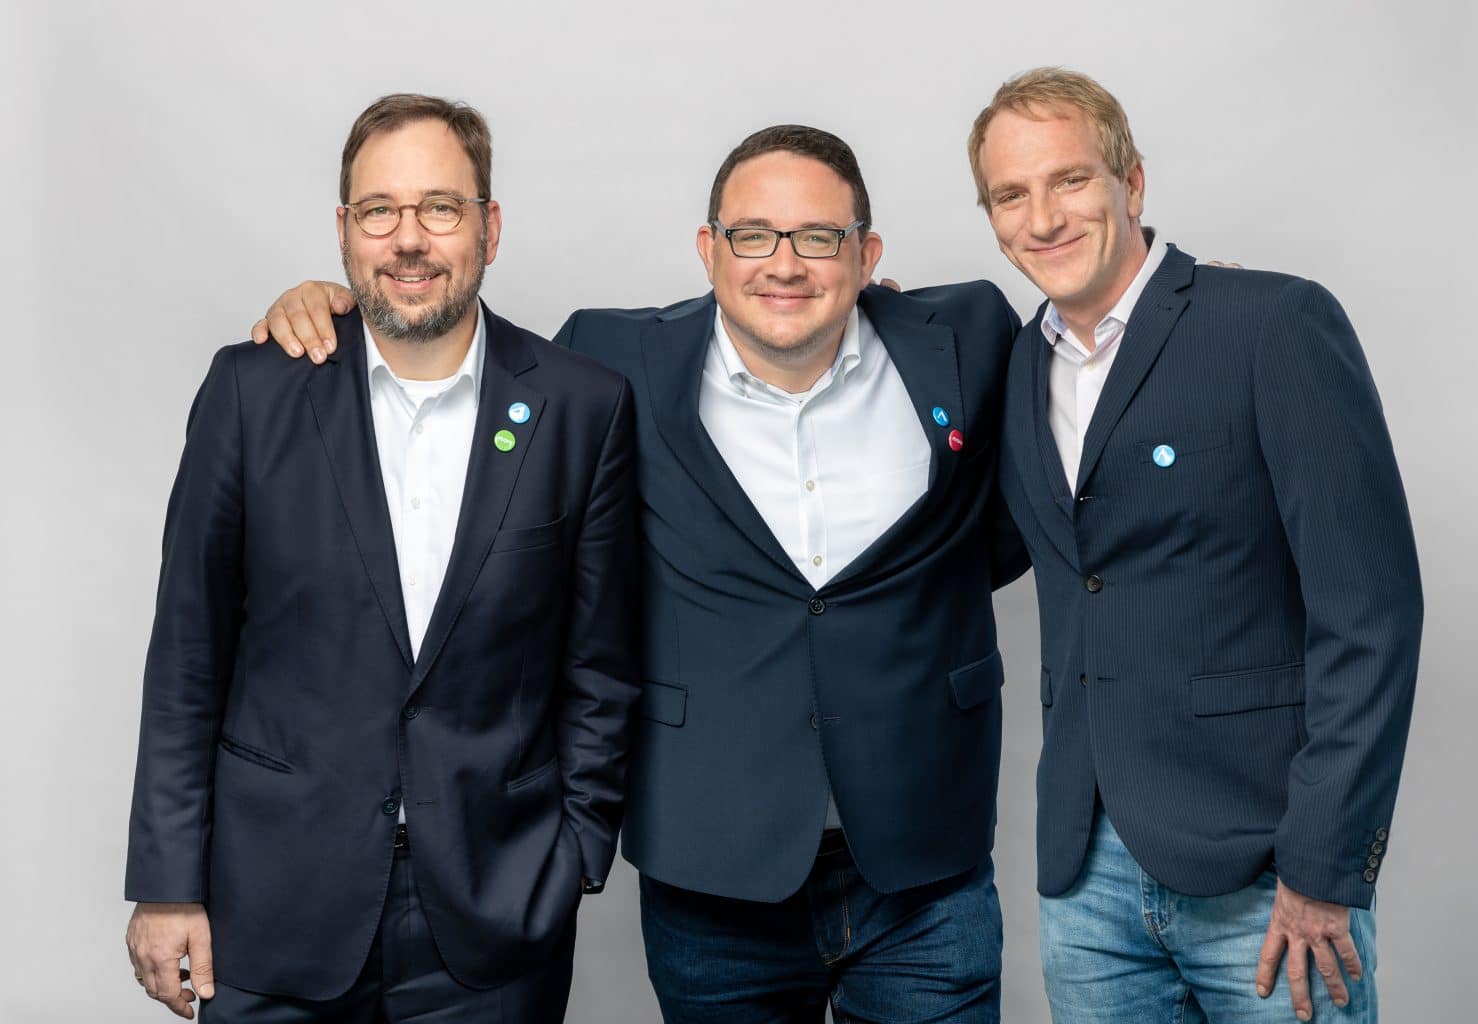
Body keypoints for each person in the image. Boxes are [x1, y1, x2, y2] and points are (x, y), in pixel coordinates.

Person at [251, 124, 1024, 1023]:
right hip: (712, 868)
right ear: (709, 248)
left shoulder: (965, 336)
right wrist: (338, 308)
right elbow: (448, 359)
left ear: (866, 253)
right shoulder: (611, 360)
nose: (784, 264)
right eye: (752, 235)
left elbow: (1020, 526)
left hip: (926, 859)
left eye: (819, 237)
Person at [124, 93, 639, 1021]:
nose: (408, 239)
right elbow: (187, 654)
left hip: (495, 913)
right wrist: (166, 885)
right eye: (378, 211)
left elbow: (600, 662)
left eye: (440, 207)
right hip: (270, 904)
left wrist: (576, 851)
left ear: (489, 227)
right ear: (343, 232)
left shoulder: (582, 406)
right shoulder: (252, 393)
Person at [969, 67, 1422, 1023]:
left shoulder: (1269, 323)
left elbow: (1371, 614)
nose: (1042, 218)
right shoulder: (1014, 366)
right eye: (1011, 195)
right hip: (1084, 878)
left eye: (1070, 180)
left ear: (1131, 183)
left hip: (1268, 871)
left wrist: (1324, 865)